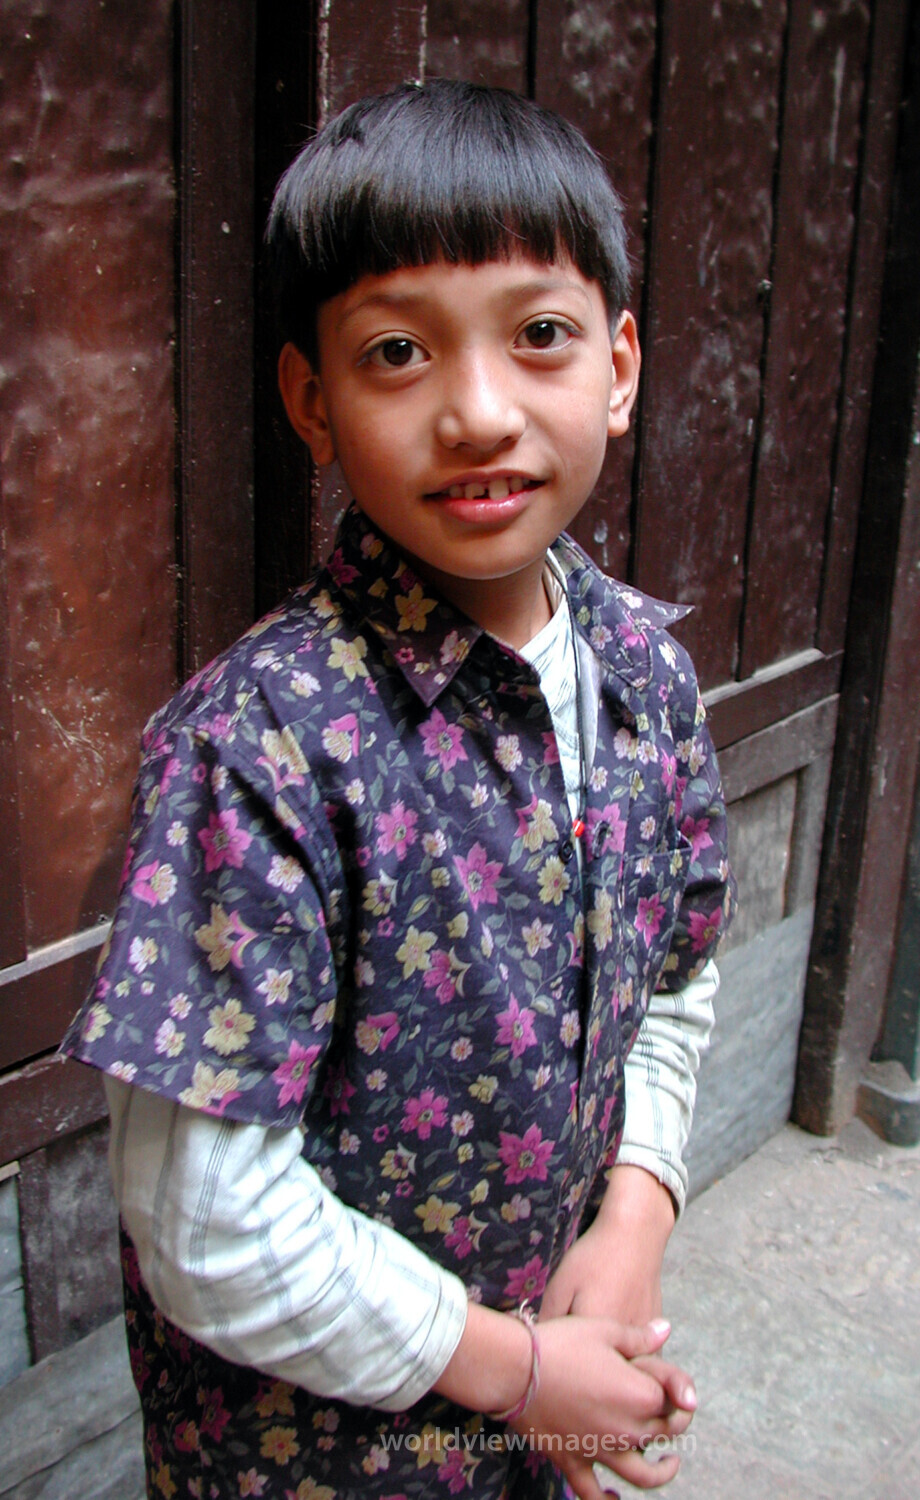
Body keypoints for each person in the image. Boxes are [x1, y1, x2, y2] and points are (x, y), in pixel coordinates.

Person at [62, 79, 735, 1500]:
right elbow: (208, 1220)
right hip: (314, 1455)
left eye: (539, 335)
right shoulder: (259, 752)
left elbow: (677, 973)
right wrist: (522, 1371)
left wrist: (633, 1219)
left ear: (618, 365)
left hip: (541, 1373)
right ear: (313, 397)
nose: (479, 411)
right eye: (396, 352)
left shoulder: (644, 676)